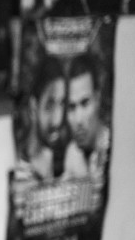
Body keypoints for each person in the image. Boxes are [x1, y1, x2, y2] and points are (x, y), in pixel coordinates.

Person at [14, 54, 69, 183]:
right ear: (33, 107)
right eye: (49, 105)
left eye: (61, 103)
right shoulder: (17, 162)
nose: (57, 119)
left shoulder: (62, 158)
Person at [63, 53, 110, 182]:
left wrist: (83, 177)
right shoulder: (72, 152)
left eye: (85, 103)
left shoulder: (114, 147)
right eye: (71, 107)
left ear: (97, 99)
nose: (78, 120)